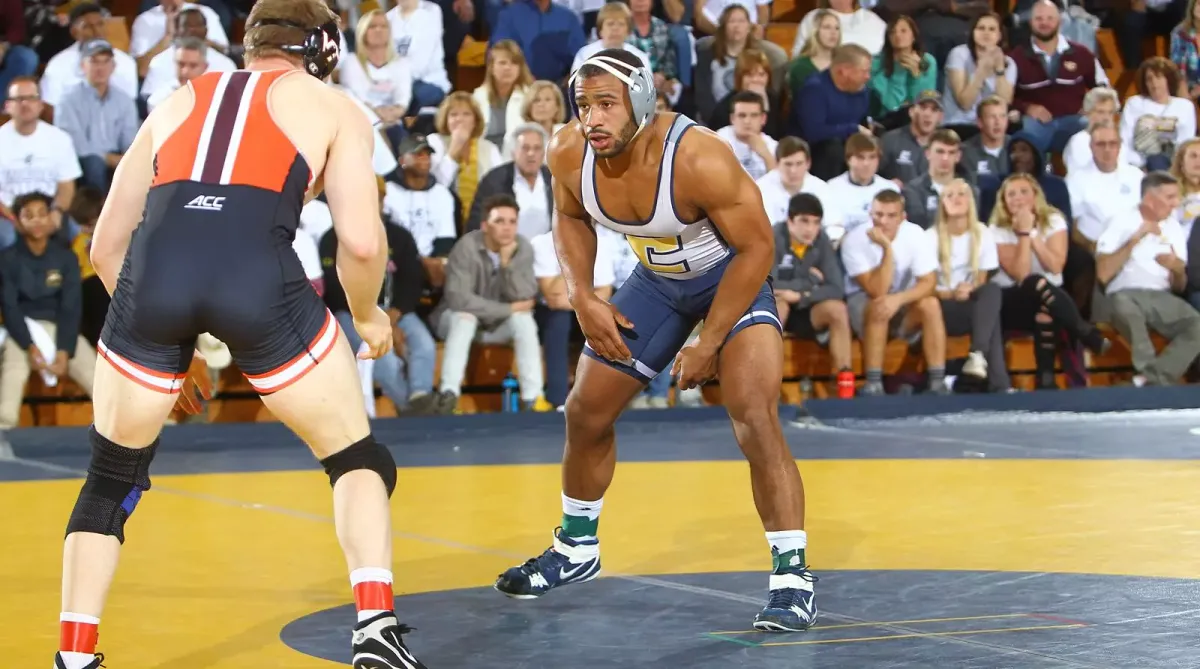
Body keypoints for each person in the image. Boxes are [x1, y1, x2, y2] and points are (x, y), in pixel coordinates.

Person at [52, 2, 428, 668]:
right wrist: (369, 315)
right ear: (323, 48)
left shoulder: (179, 98)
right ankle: (374, 627)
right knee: (354, 458)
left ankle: (73, 655)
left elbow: (107, 242)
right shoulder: (334, 105)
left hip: (151, 284)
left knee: (110, 480)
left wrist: (170, 352)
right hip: (258, 282)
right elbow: (364, 243)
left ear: (248, 45)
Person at [492, 49, 817, 633]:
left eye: (607, 105)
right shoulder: (570, 151)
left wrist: (710, 338)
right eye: (584, 105)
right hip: (659, 285)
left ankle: (793, 577)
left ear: (641, 101)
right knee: (586, 412)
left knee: (753, 414)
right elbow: (569, 217)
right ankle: (577, 548)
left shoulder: (697, 157)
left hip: (729, 278)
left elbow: (758, 248)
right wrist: (584, 295)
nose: (592, 119)